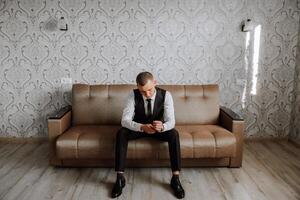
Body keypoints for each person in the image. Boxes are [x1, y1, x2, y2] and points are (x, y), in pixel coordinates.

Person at [111, 71, 185, 199]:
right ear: (138, 87)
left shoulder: (166, 95)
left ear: (155, 83)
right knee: (121, 133)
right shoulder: (132, 95)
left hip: (158, 130)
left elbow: (171, 121)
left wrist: (162, 127)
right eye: (143, 92)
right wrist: (141, 127)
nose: (147, 94)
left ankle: (175, 178)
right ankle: (119, 178)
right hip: (140, 128)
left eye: (150, 90)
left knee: (174, 134)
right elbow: (124, 120)